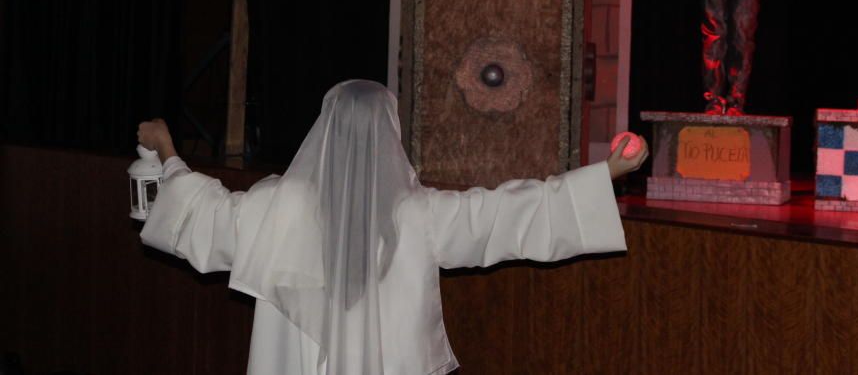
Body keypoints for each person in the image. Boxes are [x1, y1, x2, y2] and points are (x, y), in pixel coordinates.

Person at [138, 80, 646, 375]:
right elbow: (509, 214)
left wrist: (168, 150)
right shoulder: (418, 214)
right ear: (390, 134)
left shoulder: (276, 205)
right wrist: (608, 174)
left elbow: (201, 214)